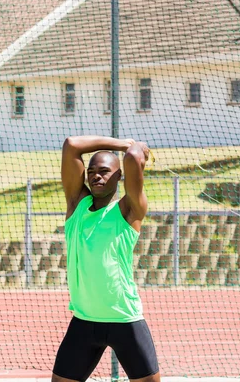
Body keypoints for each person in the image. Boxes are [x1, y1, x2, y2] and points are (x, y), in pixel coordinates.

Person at [52, 136, 160, 382]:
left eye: (104, 171)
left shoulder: (129, 210)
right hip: (84, 320)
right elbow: (71, 145)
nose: (96, 176)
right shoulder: (76, 205)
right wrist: (123, 143)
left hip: (124, 319)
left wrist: (135, 150)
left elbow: (133, 158)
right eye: (91, 172)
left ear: (119, 175)